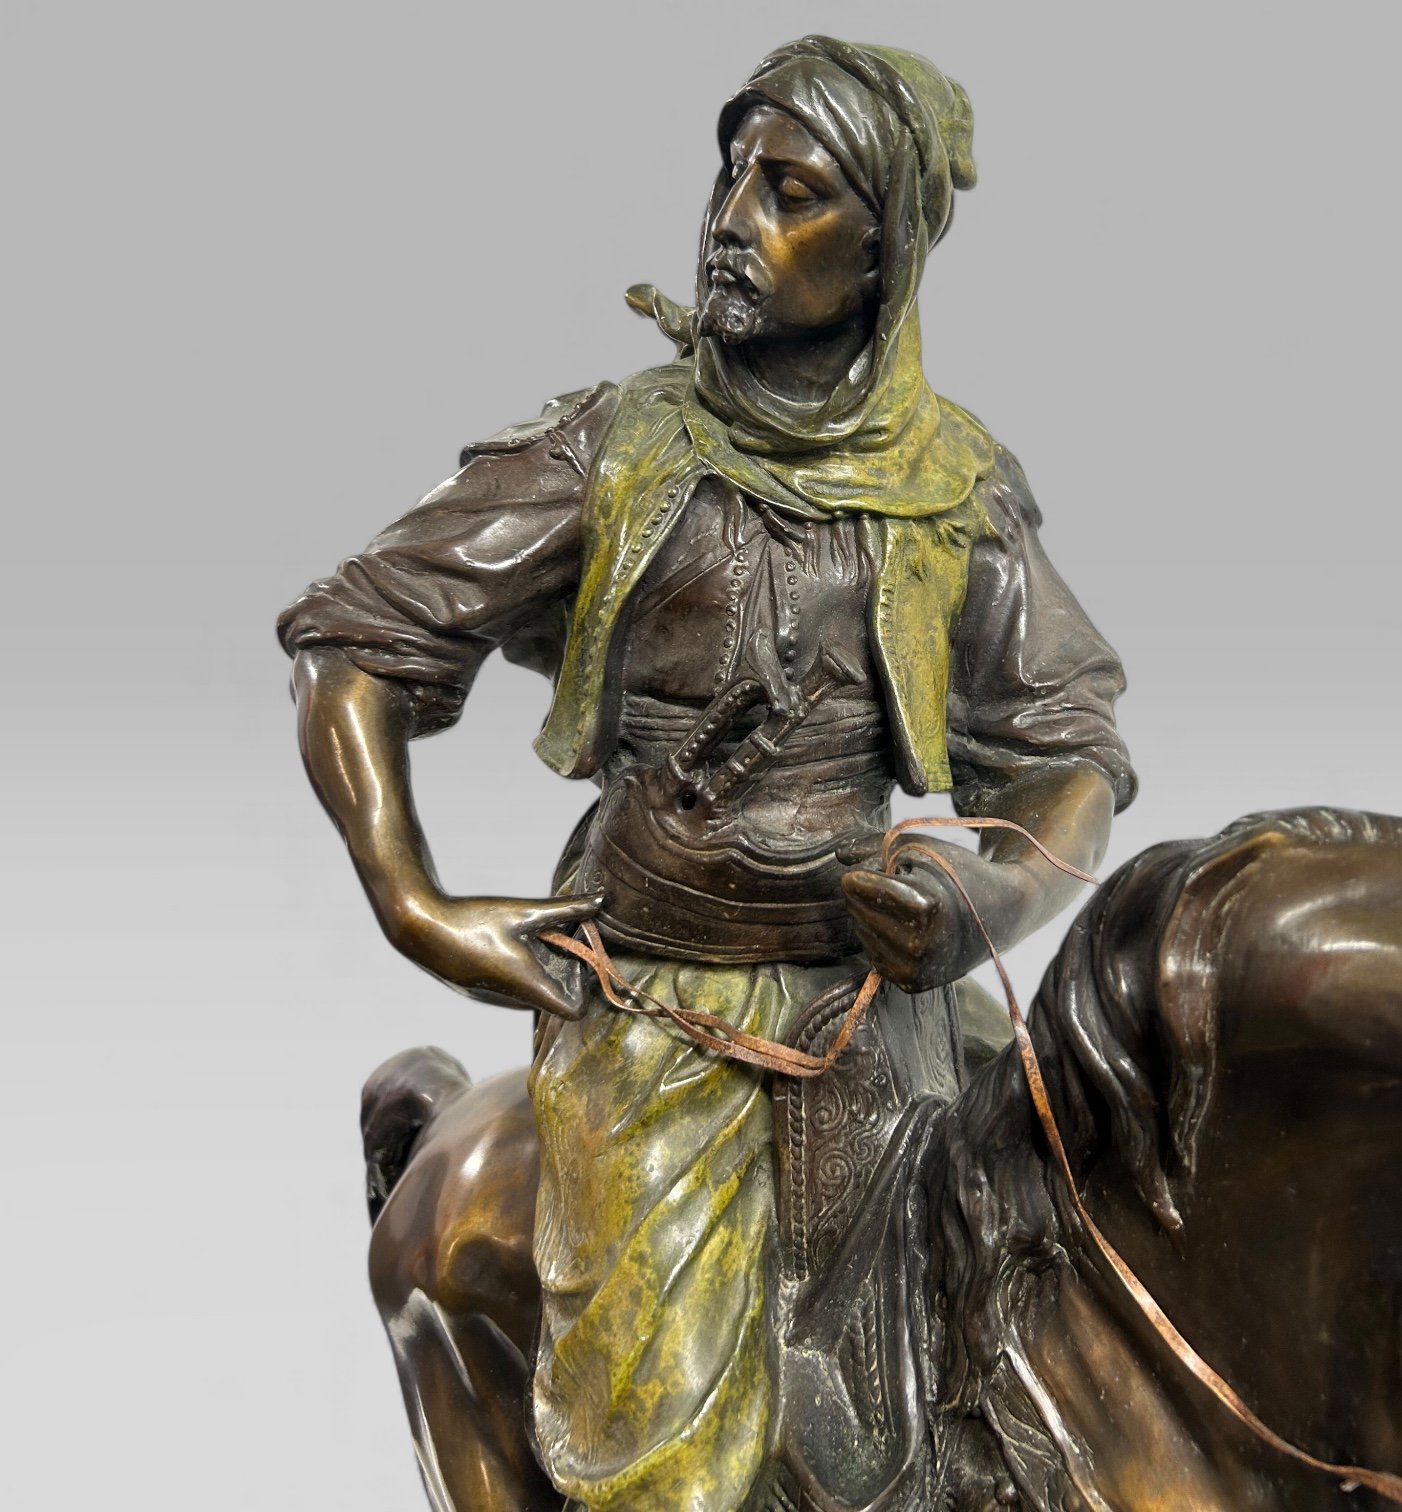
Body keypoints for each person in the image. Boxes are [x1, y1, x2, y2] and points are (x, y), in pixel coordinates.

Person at [280, 36, 1134, 1512]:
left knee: (1066, 1339)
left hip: (883, 1015)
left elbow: (1070, 752)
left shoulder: (952, 488)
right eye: (732, 174)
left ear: (882, 252)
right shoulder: (614, 455)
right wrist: (414, 905)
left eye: (791, 192)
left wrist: (987, 898)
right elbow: (352, 642)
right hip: (658, 1010)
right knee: (665, 1472)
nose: (732, 218)